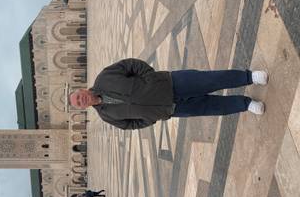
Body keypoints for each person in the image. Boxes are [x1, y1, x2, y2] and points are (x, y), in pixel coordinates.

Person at [69, 58, 268, 130]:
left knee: (212, 80)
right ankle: (245, 104)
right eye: (79, 103)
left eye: (79, 96)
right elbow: (130, 125)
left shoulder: (104, 77)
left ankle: (249, 77)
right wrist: (151, 118)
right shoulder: (106, 115)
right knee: (211, 107)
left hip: (171, 84)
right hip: (170, 109)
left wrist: (150, 77)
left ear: (83, 90)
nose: (82, 99)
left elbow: (130, 65)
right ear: (83, 107)